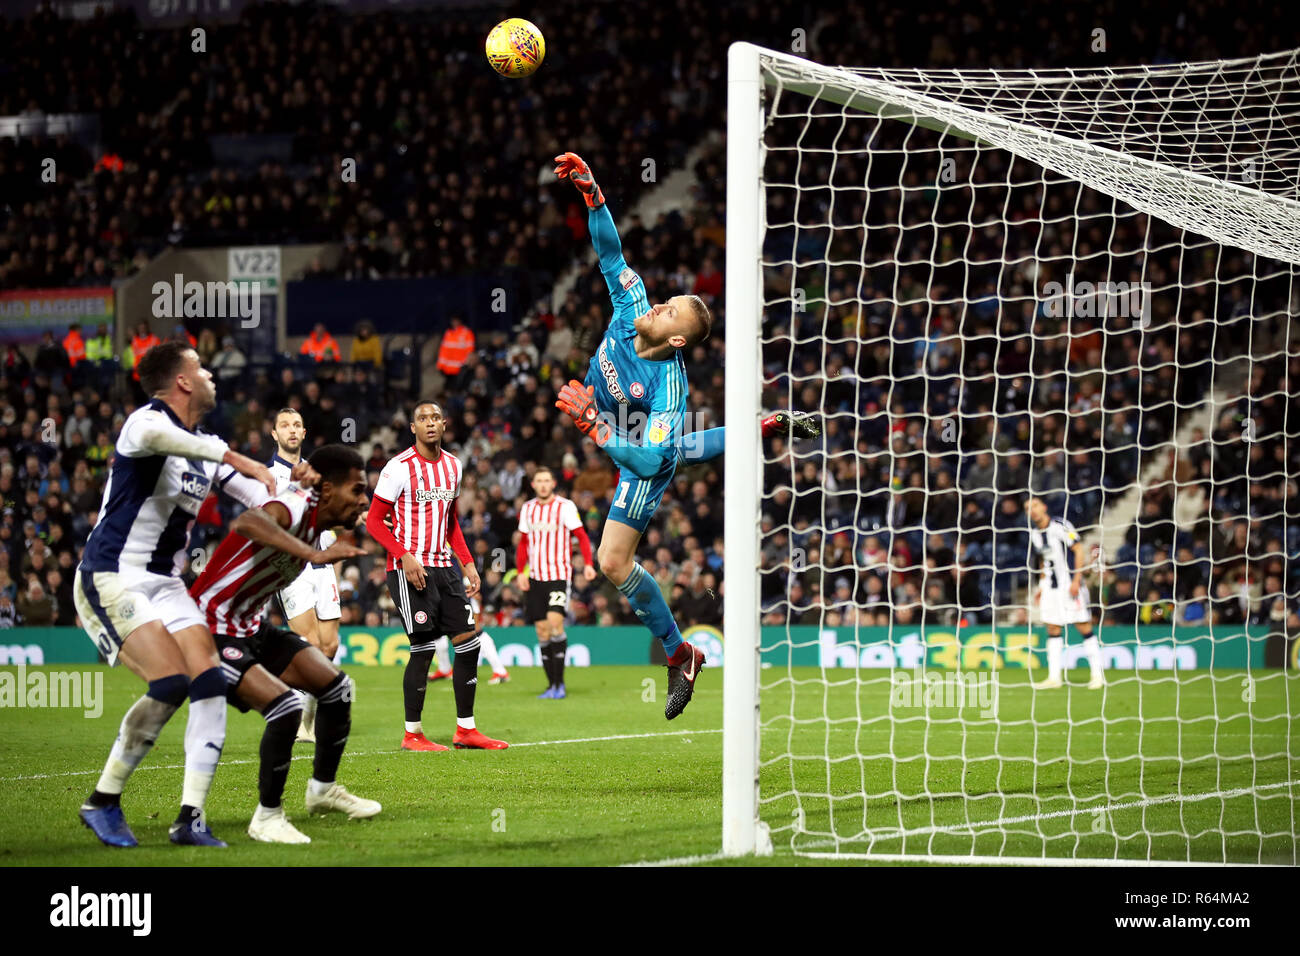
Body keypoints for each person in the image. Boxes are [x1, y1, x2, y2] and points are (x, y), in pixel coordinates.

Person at [551, 152, 817, 719]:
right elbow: (610, 251)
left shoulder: (670, 390)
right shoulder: (629, 304)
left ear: (678, 341)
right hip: (626, 431)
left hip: (644, 454)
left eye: (669, 312)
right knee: (692, 447)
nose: (657, 307)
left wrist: (594, 424)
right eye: (664, 303)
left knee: (613, 561)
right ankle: (763, 423)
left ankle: (679, 653)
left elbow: (651, 460)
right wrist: (593, 195)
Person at [72, 340, 275, 848]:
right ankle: (103, 800)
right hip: (111, 574)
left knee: (209, 679)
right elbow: (169, 440)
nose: (210, 374)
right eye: (201, 368)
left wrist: (313, 498)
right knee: (170, 682)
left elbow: (264, 496)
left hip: (165, 583)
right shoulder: (143, 423)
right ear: (182, 381)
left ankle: (190, 817)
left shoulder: (204, 447)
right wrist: (237, 457)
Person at [189, 445, 377, 844]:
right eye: (357, 490)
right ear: (327, 491)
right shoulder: (291, 509)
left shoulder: (316, 518)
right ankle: (267, 817)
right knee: (286, 707)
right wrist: (311, 554)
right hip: (210, 628)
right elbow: (246, 523)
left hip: (252, 627)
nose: (364, 500)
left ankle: (322, 790)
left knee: (336, 689)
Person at [364, 400, 507, 751]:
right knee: (424, 649)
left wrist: (468, 563)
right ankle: (412, 734)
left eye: (435, 418)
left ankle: (466, 729)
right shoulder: (397, 467)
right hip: (410, 570)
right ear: (412, 427)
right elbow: (372, 521)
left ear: (444, 424)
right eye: (422, 419)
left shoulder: (454, 467)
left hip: (446, 568)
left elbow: (451, 521)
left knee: (469, 644)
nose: (429, 423)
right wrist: (404, 556)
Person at [267, 407, 344, 743]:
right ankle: (294, 718)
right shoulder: (268, 476)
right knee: (310, 644)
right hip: (292, 566)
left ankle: (306, 723)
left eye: (297, 424)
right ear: (275, 434)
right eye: (285, 425)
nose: (291, 430)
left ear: (304, 432)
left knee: (329, 646)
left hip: (323, 564)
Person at [515, 466, 596, 698]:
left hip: (558, 575)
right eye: (538, 480)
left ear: (553, 484)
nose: (542, 484)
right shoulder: (528, 509)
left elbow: (580, 536)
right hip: (535, 578)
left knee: (554, 622)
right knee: (541, 631)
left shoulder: (565, 506)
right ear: (533, 485)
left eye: (546, 480)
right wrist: (521, 571)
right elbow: (523, 543)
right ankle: (551, 685)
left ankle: (560, 684)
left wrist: (588, 564)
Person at [1027, 497, 1104, 689]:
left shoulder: (1060, 525)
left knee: (1083, 626)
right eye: (1028, 508)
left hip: (1069, 584)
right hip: (1051, 588)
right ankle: (1054, 678)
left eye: (1035, 505)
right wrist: (1041, 587)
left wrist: (1077, 580)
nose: (1032, 510)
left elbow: (1078, 550)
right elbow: (1044, 561)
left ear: (1044, 507)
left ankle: (1097, 675)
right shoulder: (1035, 534)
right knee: (1052, 628)